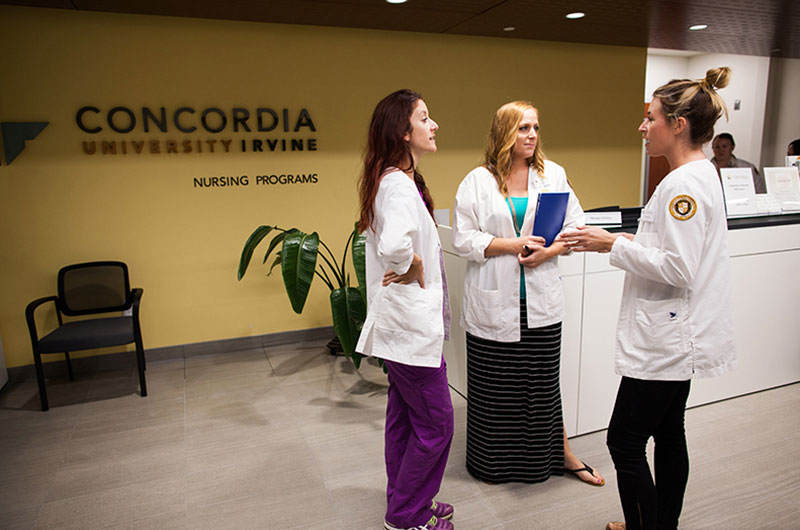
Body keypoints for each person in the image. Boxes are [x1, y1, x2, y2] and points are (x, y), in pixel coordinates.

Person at [560, 67, 738, 530]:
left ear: (677, 124)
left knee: (623, 441)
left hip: (667, 340)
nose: (643, 127)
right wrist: (620, 238)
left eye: (651, 117)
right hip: (678, 335)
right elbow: (670, 249)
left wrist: (611, 245)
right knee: (668, 432)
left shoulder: (684, 185)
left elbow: (678, 267)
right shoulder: (697, 176)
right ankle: (661, 525)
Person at [451, 101, 604, 486]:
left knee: (540, 386)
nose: (532, 135)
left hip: (540, 302)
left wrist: (549, 251)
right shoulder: (477, 181)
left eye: (535, 127)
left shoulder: (553, 175)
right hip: (494, 301)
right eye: (522, 128)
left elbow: (575, 227)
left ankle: (552, 459)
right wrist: (511, 245)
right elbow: (463, 239)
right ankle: (493, 466)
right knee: (494, 389)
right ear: (503, 133)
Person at [355, 89, 455, 530]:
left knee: (404, 420)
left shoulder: (392, 179)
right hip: (409, 328)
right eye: (425, 118)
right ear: (403, 131)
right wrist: (412, 264)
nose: (433, 126)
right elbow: (395, 245)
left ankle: (407, 503)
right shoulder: (396, 184)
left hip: (401, 327)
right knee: (437, 425)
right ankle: (406, 517)